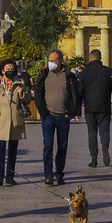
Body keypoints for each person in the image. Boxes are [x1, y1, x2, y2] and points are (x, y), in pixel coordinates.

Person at [35, 49, 81, 187]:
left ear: (60, 61)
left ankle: (59, 173)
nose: (50, 63)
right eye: (49, 60)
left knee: (62, 147)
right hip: (48, 116)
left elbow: (76, 95)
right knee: (48, 145)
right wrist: (43, 113)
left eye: (53, 61)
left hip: (63, 117)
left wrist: (72, 113)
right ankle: (48, 175)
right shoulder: (44, 75)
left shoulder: (69, 77)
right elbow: (38, 95)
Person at [0, 58, 31, 186]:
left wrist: (21, 94)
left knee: (13, 150)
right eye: (8, 69)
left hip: (15, 119)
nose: (10, 71)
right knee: (0, 148)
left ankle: (10, 176)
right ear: (2, 70)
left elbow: (28, 100)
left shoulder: (19, 82)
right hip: (0, 119)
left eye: (12, 69)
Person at [79, 48, 112, 167]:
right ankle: (105, 147)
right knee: (104, 131)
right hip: (105, 108)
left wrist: (76, 110)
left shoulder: (85, 72)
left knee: (92, 133)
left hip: (90, 108)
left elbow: (79, 91)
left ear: (90, 58)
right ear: (100, 58)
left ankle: (94, 159)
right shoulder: (108, 71)